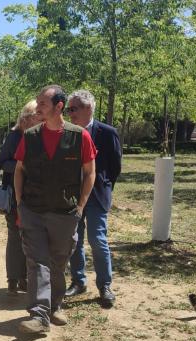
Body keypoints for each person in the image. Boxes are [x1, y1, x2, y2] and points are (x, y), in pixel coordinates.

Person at [13, 85, 97, 334]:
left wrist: (80, 206)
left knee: (58, 261)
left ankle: (55, 305)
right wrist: (19, 203)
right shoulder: (30, 136)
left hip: (65, 212)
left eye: (43, 104)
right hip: (33, 210)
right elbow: (19, 170)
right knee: (37, 262)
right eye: (38, 103)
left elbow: (90, 172)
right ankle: (39, 315)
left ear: (59, 106)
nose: (38, 108)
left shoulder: (79, 136)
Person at [65, 90, 121, 308]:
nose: (69, 113)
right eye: (68, 109)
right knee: (74, 240)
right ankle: (78, 281)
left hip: (97, 196)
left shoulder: (107, 133)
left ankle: (105, 286)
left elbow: (115, 166)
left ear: (88, 108)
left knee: (98, 240)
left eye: (74, 108)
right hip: (71, 197)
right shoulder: (67, 133)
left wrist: (105, 187)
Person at [0, 100, 42, 296]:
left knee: (30, 236)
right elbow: (2, 162)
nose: (38, 119)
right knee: (15, 235)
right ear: (25, 119)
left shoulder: (39, 136)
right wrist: (21, 167)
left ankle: (25, 278)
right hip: (14, 194)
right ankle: (13, 279)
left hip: (35, 194)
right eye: (35, 116)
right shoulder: (14, 137)